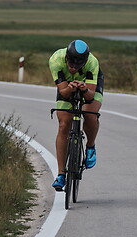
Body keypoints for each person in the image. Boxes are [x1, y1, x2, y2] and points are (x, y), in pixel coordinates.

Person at [49, 40, 104, 191]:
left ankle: (90, 146)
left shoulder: (92, 63)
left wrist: (84, 89)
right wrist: (70, 88)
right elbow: (63, 92)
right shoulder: (56, 60)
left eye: (77, 65)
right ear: (66, 57)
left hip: (89, 86)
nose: (73, 68)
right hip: (66, 85)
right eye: (71, 64)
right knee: (63, 125)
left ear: (84, 62)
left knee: (90, 113)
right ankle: (61, 174)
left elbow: (90, 97)